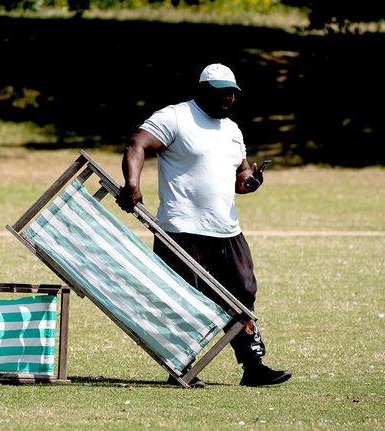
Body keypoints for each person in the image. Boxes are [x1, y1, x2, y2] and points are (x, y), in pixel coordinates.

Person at [116, 63, 291, 388]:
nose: (227, 98)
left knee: (243, 294)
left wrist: (249, 182)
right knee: (185, 299)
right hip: (182, 231)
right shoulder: (176, 117)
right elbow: (136, 145)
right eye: (220, 92)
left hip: (226, 230)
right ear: (202, 91)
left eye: (231, 93)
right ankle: (180, 368)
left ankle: (253, 366)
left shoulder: (232, 130)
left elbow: (239, 177)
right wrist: (132, 184)